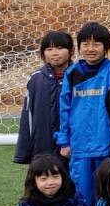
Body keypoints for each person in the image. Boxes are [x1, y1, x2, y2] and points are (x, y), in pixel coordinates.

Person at [54, 21, 110, 206]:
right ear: (78, 48)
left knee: (108, 192)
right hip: (79, 146)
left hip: (106, 144)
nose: (91, 49)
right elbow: (64, 109)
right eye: (85, 44)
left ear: (106, 48)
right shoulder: (72, 73)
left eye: (96, 44)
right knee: (82, 194)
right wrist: (64, 140)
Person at [15, 29, 72, 166]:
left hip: (73, 148)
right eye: (49, 49)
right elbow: (27, 117)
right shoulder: (36, 79)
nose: (54, 53)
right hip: (42, 146)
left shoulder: (80, 76)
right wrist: (23, 152)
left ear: (71, 50)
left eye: (60, 48)